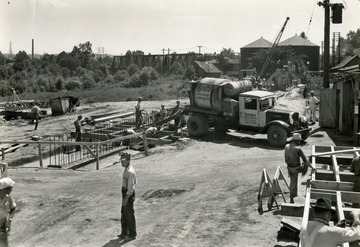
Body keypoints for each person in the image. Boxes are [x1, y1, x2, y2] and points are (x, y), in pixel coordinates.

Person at [284, 133, 316, 203]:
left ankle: (291, 198)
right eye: (299, 141)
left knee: (293, 182)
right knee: (306, 162)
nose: (299, 142)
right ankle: (305, 173)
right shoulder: (298, 149)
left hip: (289, 168)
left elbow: (286, 159)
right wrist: (312, 168)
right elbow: (306, 161)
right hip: (297, 168)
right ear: (296, 141)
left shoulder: (286, 146)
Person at [118, 153, 137, 241]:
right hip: (125, 192)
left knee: (129, 214)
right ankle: (124, 233)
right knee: (124, 213)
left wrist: (126, 199)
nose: (121, 162)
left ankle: (132, 234)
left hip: (128, 194)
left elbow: (130, 189)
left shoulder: (130, 172)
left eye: (123, 161)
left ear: (128, 161)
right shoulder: (126, 169)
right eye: (121, 160)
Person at [0, 177, 16, 247]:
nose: (11, 189)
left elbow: (13, 207)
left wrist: (9, 220)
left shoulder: (8, 197)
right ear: (5, 189)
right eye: (10, 188)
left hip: (3, 227)